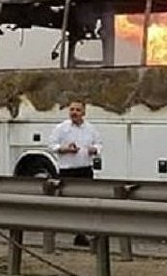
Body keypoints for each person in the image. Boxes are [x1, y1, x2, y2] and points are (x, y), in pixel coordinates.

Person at [49, 100, 101, 246]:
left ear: (83, 113)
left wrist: (94, 150)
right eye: (72, 109)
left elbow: (99, 144)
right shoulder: (61, 128)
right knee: (69, 204)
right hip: (67, 170)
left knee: (84, 203)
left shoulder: (90, 129)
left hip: (85, 170)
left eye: (78, 110)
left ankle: (80, 235)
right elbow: (51, 145)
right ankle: (65, 231)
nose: (74, 112)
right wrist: (64, 148)